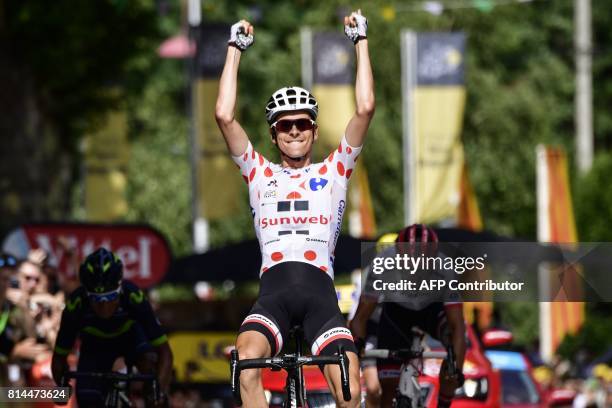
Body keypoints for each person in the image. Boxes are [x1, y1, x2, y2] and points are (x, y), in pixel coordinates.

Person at [215, 8, 374, 408]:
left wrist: (361, 42)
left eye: (302, 123)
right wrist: (234, 48)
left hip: (321, 297)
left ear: (315, 130)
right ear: (273, 134)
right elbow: (223, 115)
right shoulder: (258, 173)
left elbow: (366, 108)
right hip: (274, 294)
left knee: (350, 386)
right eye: (285, 125)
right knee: (245, 363)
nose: (295, 131)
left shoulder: (335, 169)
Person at [350, 224, 466, 408]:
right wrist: (357, 346)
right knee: (388, 387)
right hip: (396, 314)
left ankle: (444, 402)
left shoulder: (445, 268)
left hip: (431, 311)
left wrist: (456, 368)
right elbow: (360, 318)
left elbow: (458, 325)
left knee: (453, 355)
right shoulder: (382, 265)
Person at [51, 248, 173, 407]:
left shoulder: (133, 297)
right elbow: (59, 355)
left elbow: (165, 352)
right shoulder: (76, 304)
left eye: (110, 297)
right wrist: (61, 388)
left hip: (130, 338)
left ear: (120, 288)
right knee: (87, 399)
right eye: (96, 299)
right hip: (95, 345)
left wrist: (160, 390)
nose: (103, 306)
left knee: (150, 374)